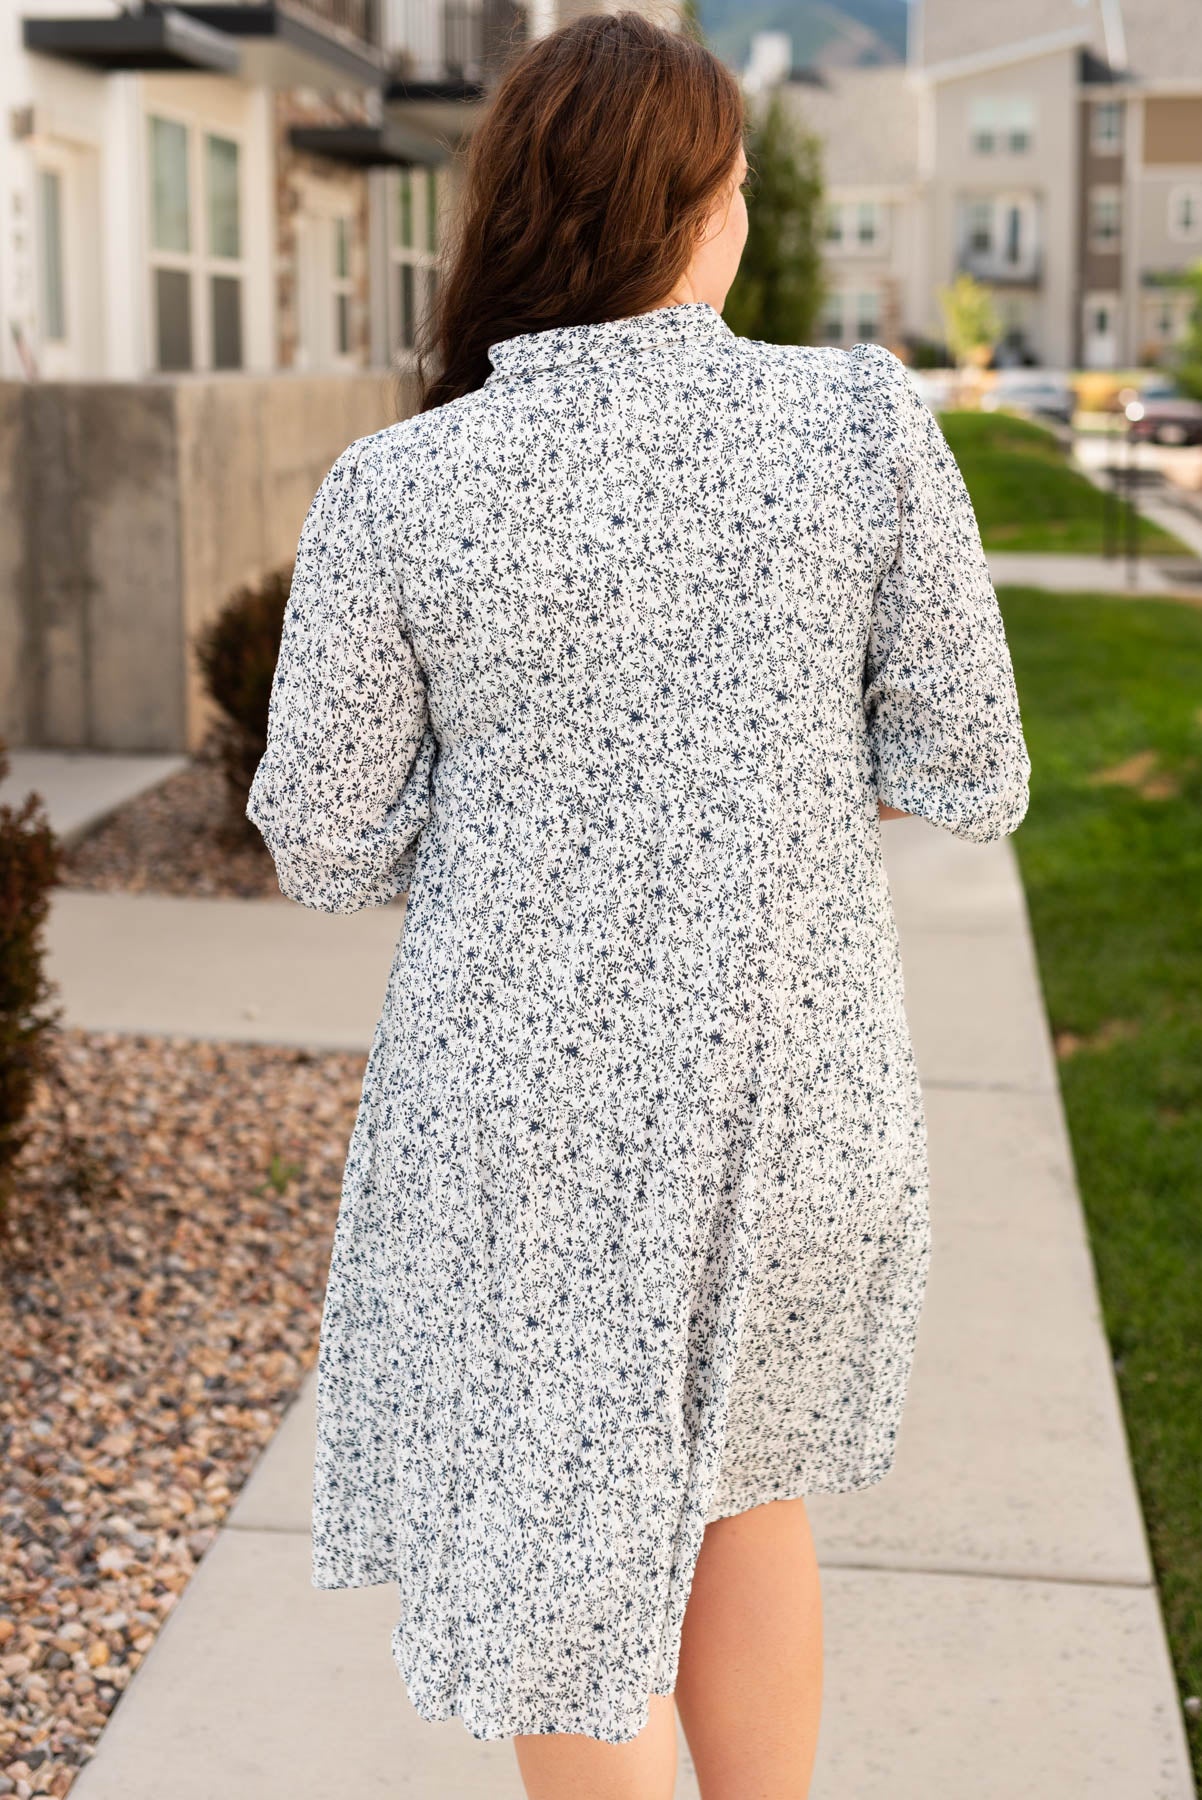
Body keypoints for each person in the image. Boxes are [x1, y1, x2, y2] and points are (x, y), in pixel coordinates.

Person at [246, 11, 1032, 1798]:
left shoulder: (403, 484)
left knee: (553, 1556)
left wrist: (530, 823)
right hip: (793, 1089)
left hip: (522, 1124)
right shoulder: (855, 424)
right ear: (684, 210)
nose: (745, 218)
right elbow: (970, 759)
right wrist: (765, 802)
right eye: (739, 188)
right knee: (748, 1500)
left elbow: (328, 839)